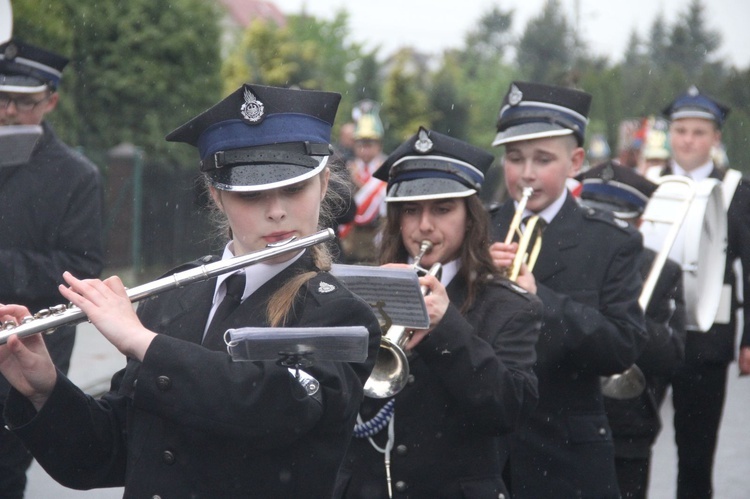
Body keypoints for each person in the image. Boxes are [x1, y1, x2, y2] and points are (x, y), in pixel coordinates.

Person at [0, 83, 382, 498]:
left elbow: (272, 410)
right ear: (217, 195)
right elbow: (108, 454)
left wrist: (145, 342)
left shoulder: (340, 315)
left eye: (294, 189)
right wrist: (45, 390)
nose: (276, 211)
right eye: (251, 193)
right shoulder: (174, 297)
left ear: (323, 184)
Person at [335, 126, 542, 498]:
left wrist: (446, 327)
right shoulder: (359, 293)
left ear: (470, 218)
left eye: (443, 209)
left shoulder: (509, 304)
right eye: (410, 211)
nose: (425, 226)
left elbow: (510, 408)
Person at [488, 81, 648, 499]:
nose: (525, 174)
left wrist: (542, 301)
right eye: (515, 158)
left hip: (566, 452)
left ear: (576, 161)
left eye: (543, 160)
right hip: (482, 451)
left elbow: (623, 346)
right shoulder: (478, 230)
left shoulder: (611, 241)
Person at [0, 38, 104, 498]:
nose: (7, 112)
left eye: (22, 103)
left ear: (50, 101)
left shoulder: (76, 175)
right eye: (1, 99)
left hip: (26, 349)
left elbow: (80, 269)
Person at [646, 85, 750, 499]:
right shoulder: (647, 184)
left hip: (708, 341)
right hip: (650, 334)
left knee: (695, 456)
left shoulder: (736, 190)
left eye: (698, 132)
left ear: (715, 138)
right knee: (633, 445)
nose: (688, 140)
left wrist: (749, 339)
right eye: (681, 130)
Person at [578, 161, 687, 499]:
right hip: (565, 418)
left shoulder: (663, 270)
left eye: (617, 221)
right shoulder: (558, 260)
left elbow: (671, 355)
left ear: (638, 222)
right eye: (593, 218)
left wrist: (624, 312)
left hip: (627, 426)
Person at [339, 99, 388, 263]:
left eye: (370, 144)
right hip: (349, 243)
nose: (365, 149)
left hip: (376, 243)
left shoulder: (387, 171)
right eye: (361, 144)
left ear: (379, 146)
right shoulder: (346, 169)